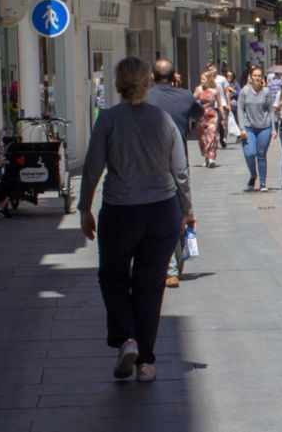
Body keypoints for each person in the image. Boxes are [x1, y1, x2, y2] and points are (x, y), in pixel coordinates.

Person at [78, 57, 196, 383]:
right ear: (147, 84)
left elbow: (92, 168)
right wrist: (186, 208)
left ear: (117, 85)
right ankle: (145, 362)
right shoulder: (162, 119)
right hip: (162, 212)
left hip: (121, 212)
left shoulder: (109, 119)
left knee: (113, 277)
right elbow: (180, 171)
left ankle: (126, 339)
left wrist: (85, 207)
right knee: (149, 285)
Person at [145, 59, 203, 288]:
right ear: (174, 76)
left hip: (151, 162)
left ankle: (169, 267)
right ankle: (173, 267)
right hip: (178, 159)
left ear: (152, 77)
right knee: (178, 210)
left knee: (159, 212)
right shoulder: (185, 96)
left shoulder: (146, 98)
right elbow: (197, 113)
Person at [237, 66, 276, 192]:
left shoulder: (266, 92)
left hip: (264, 128)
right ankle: (253, 175)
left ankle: (263, 182)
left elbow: (271, 111)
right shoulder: (244, 91)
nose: (257, 78)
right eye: (255, 75)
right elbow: (240, 110)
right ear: (250, 77)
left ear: (262, 78)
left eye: (259, 75)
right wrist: (242, 128)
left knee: (261, 155)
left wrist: (274, 128)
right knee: (249, 153)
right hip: (249, 127)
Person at [193, 71, 224, 167]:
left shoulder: (215, 90)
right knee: (202, 138)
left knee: (211, 136)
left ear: (209, 79)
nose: (201, 81)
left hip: (212, 116)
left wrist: (223, 118)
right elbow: (191, 101)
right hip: (201, 117)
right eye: (201, 79)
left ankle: (211, 159)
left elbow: (220, 105)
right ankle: (206, 156)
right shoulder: (199, 89)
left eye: (203, 79)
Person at [209, 64, 231, 148]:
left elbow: (227, 92)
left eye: (213, 69)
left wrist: (228, 104)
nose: (212, 71)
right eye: (210, 69)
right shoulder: (209, 80)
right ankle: (215, 140)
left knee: (222, 123)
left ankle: (222, 138)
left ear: (216, 69)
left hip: (222, 103)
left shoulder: (222, 79)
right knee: (215, 124)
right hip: (212, 105)